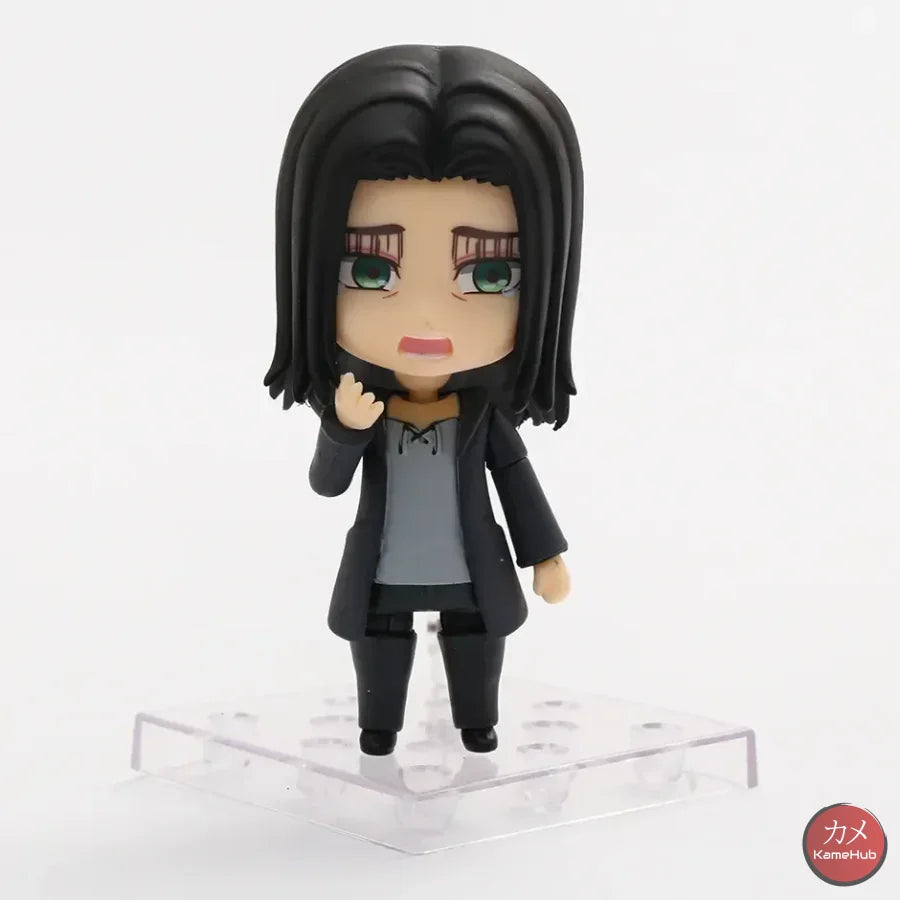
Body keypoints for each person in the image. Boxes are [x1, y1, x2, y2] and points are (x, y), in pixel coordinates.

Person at [265, 45, 583, 755]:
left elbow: (518, 485)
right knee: (380, 646)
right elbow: (326, 484)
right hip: (384, 567)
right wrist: (345, 428)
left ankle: (478, 721)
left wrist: (546, 554)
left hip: (471, 564)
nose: (426, 318)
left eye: (490, 274)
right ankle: (378, 725)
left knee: (476, 641)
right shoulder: (363, 407)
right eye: (370, 268)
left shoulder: (482, 419)